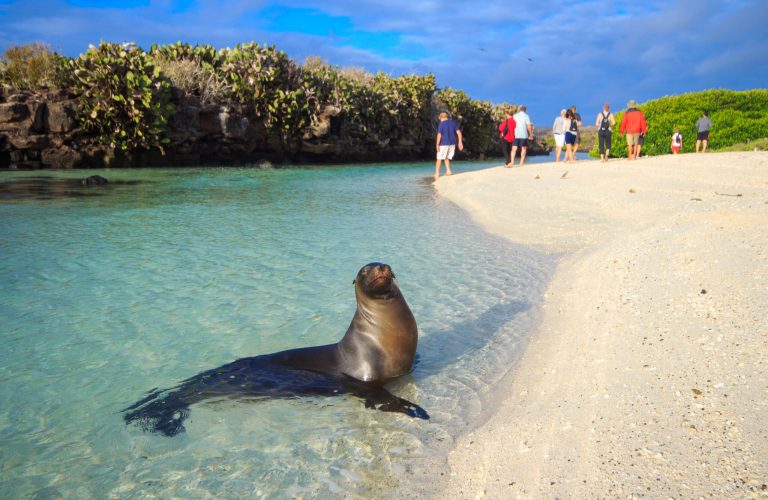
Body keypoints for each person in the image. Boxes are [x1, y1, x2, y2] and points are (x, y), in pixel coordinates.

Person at [434, 112, 463, 180]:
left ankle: (437, 173)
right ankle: (448, 171)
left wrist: (437, 144)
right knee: (446, 157)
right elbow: (459, 133)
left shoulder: (442, 124)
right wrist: (460, 142)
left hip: (444, 143)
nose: (440, 120)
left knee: (439, 158)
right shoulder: (453, 123)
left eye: (440, 119)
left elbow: (439, 135)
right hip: (452, 144)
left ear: (441, 117)